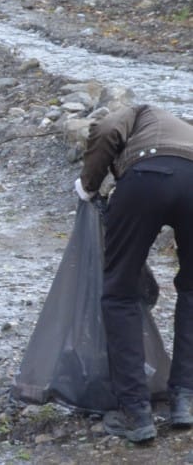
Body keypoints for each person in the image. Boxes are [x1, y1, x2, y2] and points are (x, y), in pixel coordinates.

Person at [76, 104, 193, 444]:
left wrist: (88, 185)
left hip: (147, 180)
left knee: (119, 293)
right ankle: (184, 399)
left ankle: (137, 412)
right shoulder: (182, 128)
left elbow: (106, 131)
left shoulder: (137, 111)